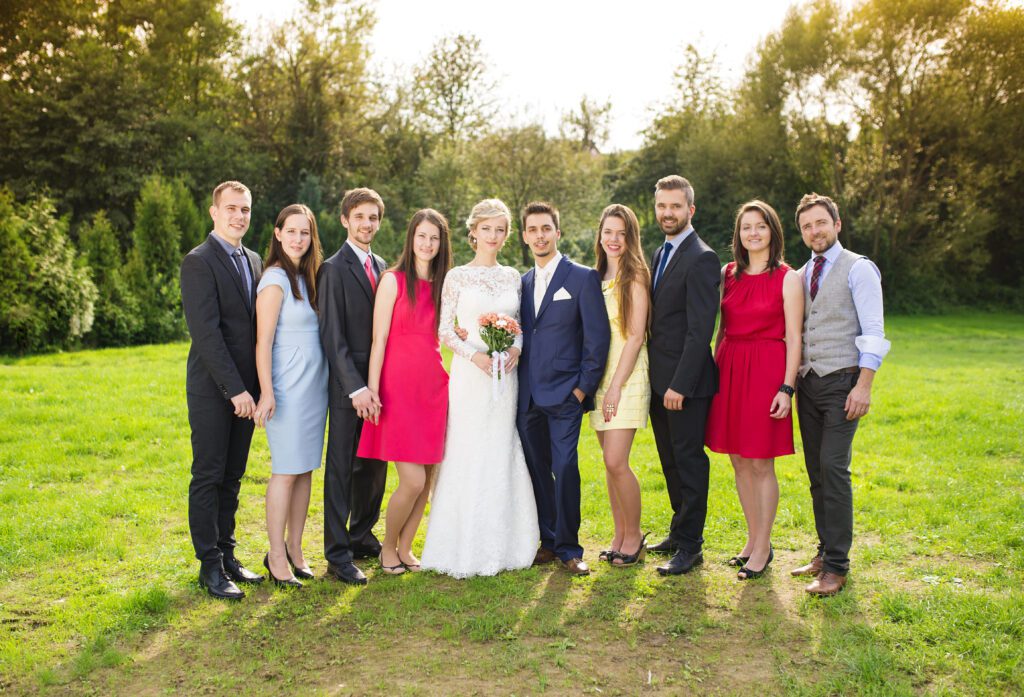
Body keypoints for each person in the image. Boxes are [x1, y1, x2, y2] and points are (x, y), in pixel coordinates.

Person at [421, 199, 539, 578]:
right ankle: (458, 542)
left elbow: (519, 323)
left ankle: (509, 542)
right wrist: (476, 357)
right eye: (487, 228)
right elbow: (443, 330)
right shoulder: (457, 277)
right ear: (473, 232)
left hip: (507, 377)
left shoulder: (512, 277)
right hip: (471, 377)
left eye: (500, 229)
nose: (493, 236)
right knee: (467, 448)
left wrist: (515, 350)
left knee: (501, 445)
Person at [791, 193, 890, 596]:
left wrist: (864, 385)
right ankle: (824, 551)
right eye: (807, 226)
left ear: (837, 224)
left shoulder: (859, 269)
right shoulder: (800, 274)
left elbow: (874, 331)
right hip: (808, 383)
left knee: (834, 469)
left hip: (843, 381)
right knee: (816, 471)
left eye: (820, 223)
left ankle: (836, 567)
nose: (814, 231)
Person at [704, 201, 803, 580]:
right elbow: (720, 329)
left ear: (772, 232)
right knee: (738, 460)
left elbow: (794, 338)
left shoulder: (787, 278)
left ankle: (763, 547)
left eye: (760, 226)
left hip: (766, 370)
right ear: (738, 234)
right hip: (730, 368)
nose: (753, 233)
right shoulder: (729, 273)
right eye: (746, 227)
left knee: (761, 461)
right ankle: (752, 539)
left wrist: (786, 387)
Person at [180, 180, 265, 599]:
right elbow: (207, 334)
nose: (239, 216)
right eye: (231, 208)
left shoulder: (253, 259)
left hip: (246, 391)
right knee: (209, 475)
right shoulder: (198, 262)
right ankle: (209, 566)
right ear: (214, 212)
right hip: (215, 390)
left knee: (233, 476)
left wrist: (257, 387)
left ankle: (228, 555)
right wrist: (234, 390)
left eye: (245, 209)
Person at [518, 201, 610, 577]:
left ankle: (570, 547)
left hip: (565, 396)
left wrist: (581, 390)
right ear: (524, 237)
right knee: (537, 469)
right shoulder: (521, 283)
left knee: (565, 467)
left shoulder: (582, 277)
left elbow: (597, 338)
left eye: (546, 228)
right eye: (533, 230)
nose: (540, 235)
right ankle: (549, 540)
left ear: (558, 232)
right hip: (527, 397)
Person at [357, 209, 452, 575]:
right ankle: (387, 547)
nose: (427, 244)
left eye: (434, 238)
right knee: (411, 479)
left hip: (433, 387)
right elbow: (378, 339)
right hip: (397, 388)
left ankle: (407, 548)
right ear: (410, 238)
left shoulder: (445, 285)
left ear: (441, 244)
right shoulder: (393, 280)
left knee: (427, 479)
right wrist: (374, 389)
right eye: (421, 236)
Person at [646, 175, 721, 577]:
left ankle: (691, 545)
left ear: (690, 210)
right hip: (660, 382)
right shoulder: (661, 253)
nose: (667, 213)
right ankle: (678, 531)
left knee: (689, 462)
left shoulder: (702, 257)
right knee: (670, 461)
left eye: (675, 206)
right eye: (662, 206)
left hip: (685, 385)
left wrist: (679, 385)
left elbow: (700, 331)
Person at [252, 204, 327, 589]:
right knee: (285, 471)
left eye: (305, 233)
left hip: (315, 385)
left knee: (305, 470)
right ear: (278, 234)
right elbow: (262, 343)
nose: (299, 239)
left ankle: (296, 549)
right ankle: (276, 555)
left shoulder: (309, 277)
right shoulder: (275, 280)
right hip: (286, 387)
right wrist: (267, 393)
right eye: (292, 232)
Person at [317, 188, 389, 586]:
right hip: (350, 387)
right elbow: (333, 337)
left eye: (373, 218)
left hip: (380, 385)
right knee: (342, 468)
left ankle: (361, 534)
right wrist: (356, 388)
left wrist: (377, 385)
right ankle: (337, 553)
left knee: (374, 466)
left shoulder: (381, 266)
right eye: (360, 217)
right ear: (345, 220)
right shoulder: (332, 268)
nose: (367, 224)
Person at [589, 204, 652, 567]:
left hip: (625, 377)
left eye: (621, 233)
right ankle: (618, 533)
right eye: (608, 232)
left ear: (631, 238)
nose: (614, 240)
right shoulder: (595, 276)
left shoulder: (635, 276)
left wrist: (615, 387)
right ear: (600, 236)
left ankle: (634, 535)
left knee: (617, 460)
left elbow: (635, 336)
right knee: (608, 463)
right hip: (599, 375)